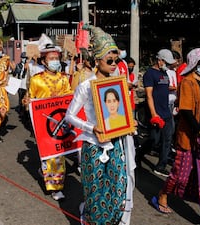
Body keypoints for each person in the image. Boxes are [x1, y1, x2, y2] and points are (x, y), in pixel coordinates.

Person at [65, 25, 136, 225]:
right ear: (97, 61)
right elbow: (69, 116)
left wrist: (130, 122)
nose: (114, 64)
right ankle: (91, 218)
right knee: (95, 190)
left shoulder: (118, 84)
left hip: (116, 144)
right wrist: (91, 128)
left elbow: (120, 114)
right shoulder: (86, 86)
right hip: (93, 144)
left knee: (117, 188)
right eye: (110, 60)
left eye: (116, 60)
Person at [152, 48, 200, 225]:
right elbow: (186, 112)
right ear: (194, 65)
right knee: (180, 175)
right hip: (193, 136)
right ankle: (163, 193)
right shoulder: (188, 83)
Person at [24, 36, 73, 201]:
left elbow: (69, 100)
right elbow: (30, 101)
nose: (55, 61)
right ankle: (53, 186)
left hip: (61, 123)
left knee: (59, 155)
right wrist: (28, 103)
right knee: (49, 155)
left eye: (56, 58)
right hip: (44, 124)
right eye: (51, 59)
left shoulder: (64, 79)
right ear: (44, 61)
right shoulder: (36, 80)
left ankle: (56, 184)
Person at [143, 49, 176, 177]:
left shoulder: (165, 74)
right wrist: (153, 114)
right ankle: (139, 155)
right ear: (159, 60)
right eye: (166, 62)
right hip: (156, 112)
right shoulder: (149, 74)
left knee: (167, 139)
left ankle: (161, 165)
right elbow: (149, 95)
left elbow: (164, 91)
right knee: (153, 140)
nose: (168, 65)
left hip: (166, 111)